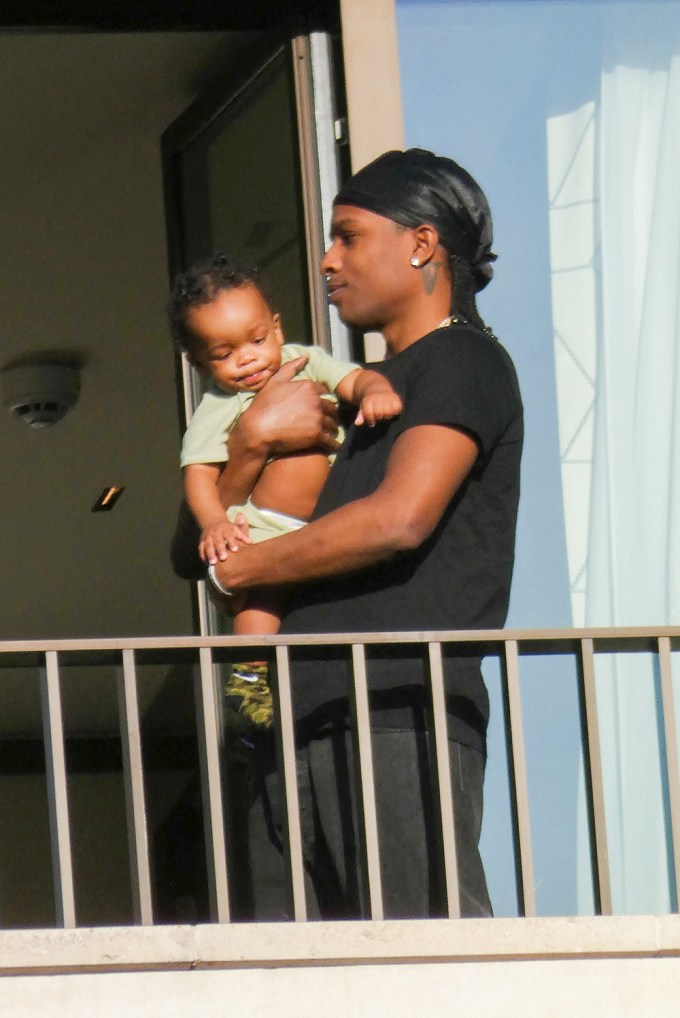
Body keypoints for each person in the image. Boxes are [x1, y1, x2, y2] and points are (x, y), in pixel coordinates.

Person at [197, 149, 523, 920]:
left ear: (421, 244)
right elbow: (197, 541)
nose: (326, 259)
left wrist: (238, 573)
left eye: (348, 236)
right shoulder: (351, 392)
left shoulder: (461, 359)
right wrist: (245, 453)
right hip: (296, 722)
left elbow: (398, 519)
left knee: (425, 969)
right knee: (300, 979)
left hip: (396, 712)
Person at [169, 254, 402, 725]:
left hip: (329, 523)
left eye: (256, 340)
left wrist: (375, 388)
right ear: (198, 363)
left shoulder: (307, 361)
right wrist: (214, 521)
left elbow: (353, 378)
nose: (248, 358)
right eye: (224, 354)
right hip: (265, 531)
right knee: (257, 613)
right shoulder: (218, 406)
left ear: (276, 329)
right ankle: (249, 692)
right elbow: (198, 473)